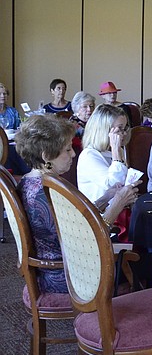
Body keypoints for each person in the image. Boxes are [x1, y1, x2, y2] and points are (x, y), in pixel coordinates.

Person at [17, 115, 136, 293]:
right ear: (46, 156)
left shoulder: (30, 181)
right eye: (67, 149)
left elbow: (77, 219)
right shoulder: (47, 192)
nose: (73, 153)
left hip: (56, 268)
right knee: (141, 265)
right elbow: (90, 237)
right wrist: (117, 204)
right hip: (69, 276)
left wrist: (106, 197)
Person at [76, 105, 141, 242]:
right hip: (102, 220)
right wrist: (116, 150)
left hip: (119, 213)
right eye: (119, 129)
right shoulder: (89, 155)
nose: (124, 133)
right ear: (104, 130)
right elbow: (113, 185)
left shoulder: (116, 151)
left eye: (125, 128)